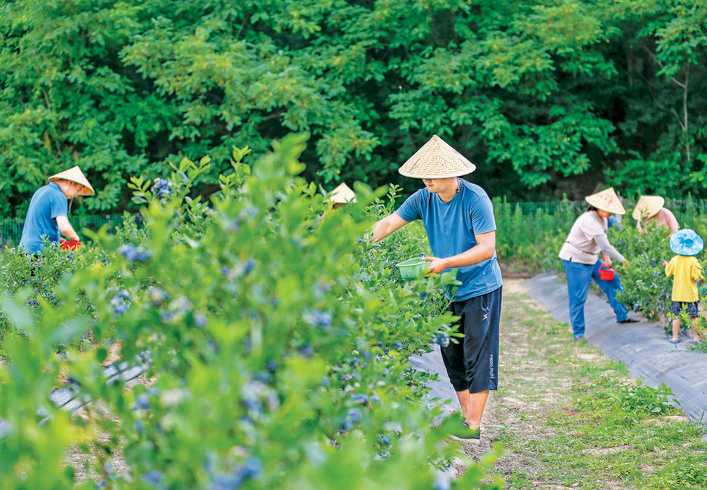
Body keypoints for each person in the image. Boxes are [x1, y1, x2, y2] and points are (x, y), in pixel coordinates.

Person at [372, 135, 502, 442]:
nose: (427, 179)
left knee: (477, 352)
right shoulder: (422, 198)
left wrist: (446, 263)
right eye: (424, 174)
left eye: (433, 174)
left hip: (480, 286)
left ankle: (473, 424)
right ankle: (465, 418)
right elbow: (389, 223)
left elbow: (487, 248)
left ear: (453, 174)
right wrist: (358, 243)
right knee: (451, 352)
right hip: (447, 289)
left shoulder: (475, 199)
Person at [558, 188, 638, 340]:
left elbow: (603, 244)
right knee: (578, 297)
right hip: (576, 260)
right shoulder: (589, 220)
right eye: (606, 209)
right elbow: (606, 245)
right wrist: (623, 261)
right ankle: (578, 334)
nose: (609, 212)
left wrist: (606, 258)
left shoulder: (603, 218)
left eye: (610, 210)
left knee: (613, 282)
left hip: (592, 258)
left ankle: (622, 316)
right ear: (597, 206)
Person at [20, 166, 95, 254]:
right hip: (39, 251)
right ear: (71, 183)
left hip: (25, 249)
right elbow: (64, 228)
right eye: (77, 190)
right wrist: (76, 239)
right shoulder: (58, 195)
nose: (76, 195)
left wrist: (60, 240)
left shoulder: (41, 191)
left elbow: (40, 227)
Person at [664, 229, 703, 344]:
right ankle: (696, 337)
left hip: (677, 294)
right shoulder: (693, 260)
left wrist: (666, 265)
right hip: (691, 294)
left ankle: (675, 337)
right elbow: (696, 276)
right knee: (694, 316)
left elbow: (668, 273)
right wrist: (702, 277)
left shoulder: (674, 260)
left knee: (676, 316)